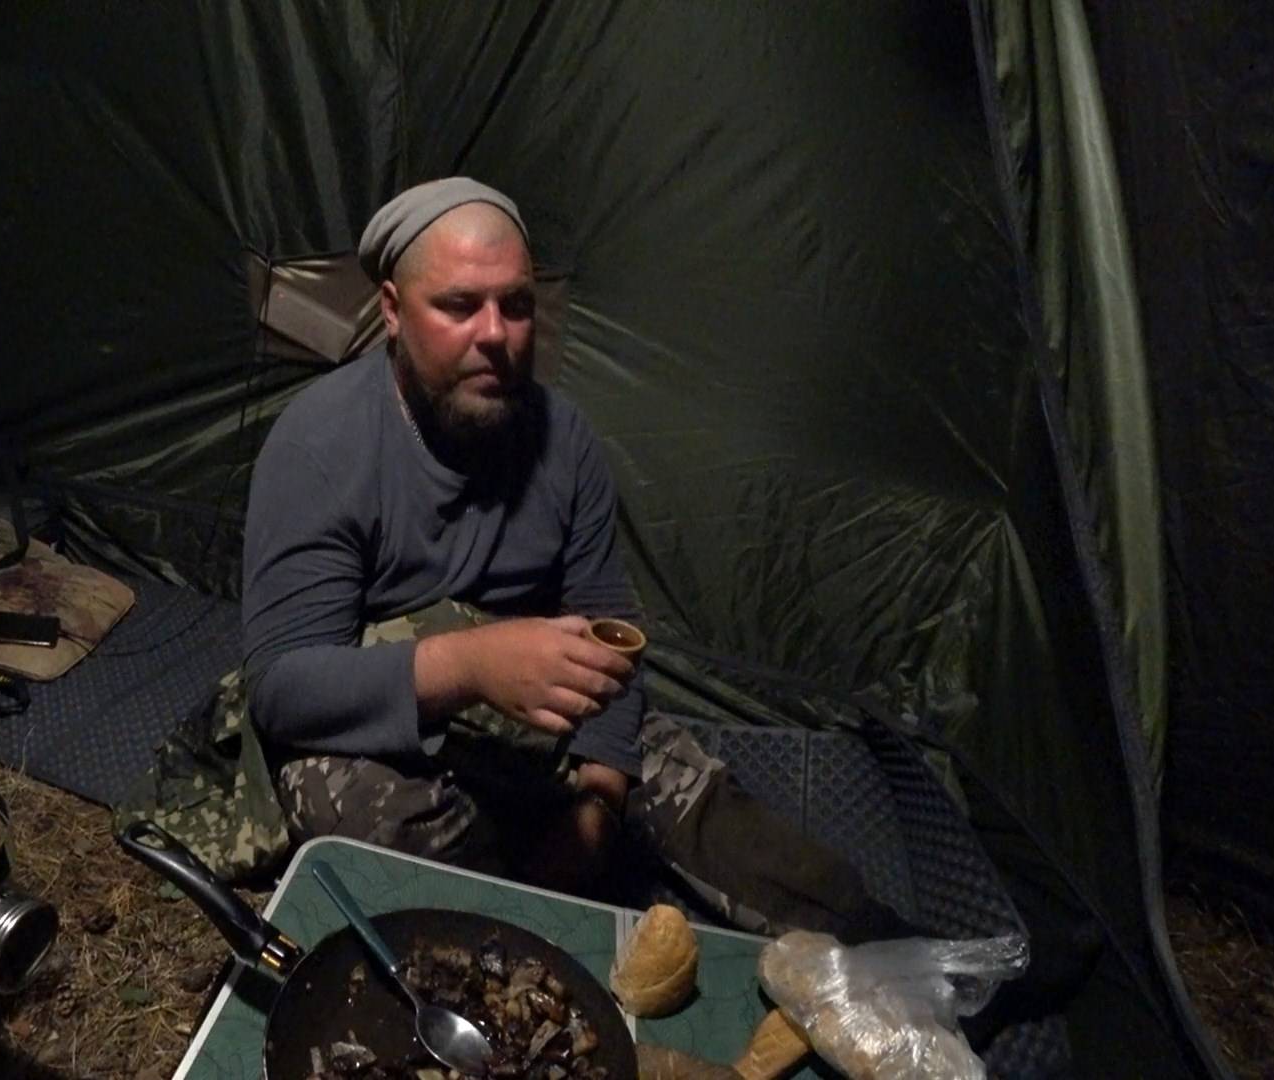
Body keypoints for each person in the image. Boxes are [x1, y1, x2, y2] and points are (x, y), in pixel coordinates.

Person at [236, 178, 912, 942]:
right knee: (368, 820)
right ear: (392, 310)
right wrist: (471, 665)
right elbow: (285, 689)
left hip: (519, 697)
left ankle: (888, 950)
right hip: (377, 710)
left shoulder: (564, 441)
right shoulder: (320, 446)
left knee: (682, 783)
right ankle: (501, 935)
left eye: (516, 305)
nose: (496, 334)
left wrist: (599, 802)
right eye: (459, 306)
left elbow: (608, 627)